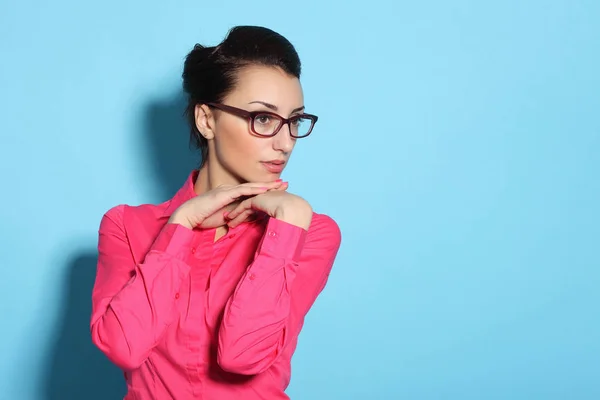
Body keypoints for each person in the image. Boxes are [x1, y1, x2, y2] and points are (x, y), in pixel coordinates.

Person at [90, 25, 342, 399]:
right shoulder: (127, 226)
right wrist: (180, 226)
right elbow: (124, 348)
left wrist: (289, 221)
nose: (285, 142)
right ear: (207, 120)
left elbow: (243, 356)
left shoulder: (308, 232)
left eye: (294, 121)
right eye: (264, 118)